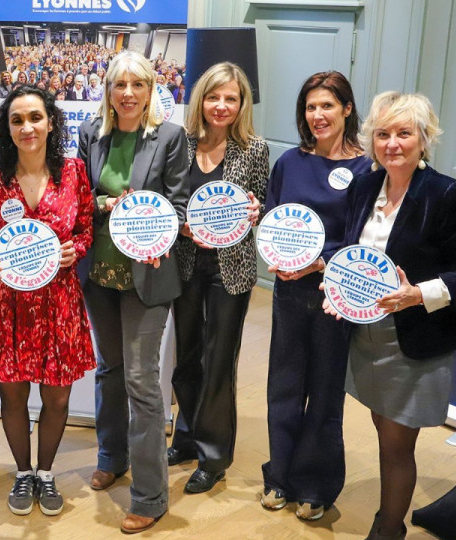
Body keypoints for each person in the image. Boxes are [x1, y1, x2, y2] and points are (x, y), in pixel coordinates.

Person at [324, 91, 456, 540]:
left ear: (424, 139)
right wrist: (335, 283)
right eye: (382, 134)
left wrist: (418, 294)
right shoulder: (365, 185)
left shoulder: (449, 194)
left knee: (398, 444)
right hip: (366, 334)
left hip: (417, 338)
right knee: (383, 427)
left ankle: (388, 529)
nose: (392, 143)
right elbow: (350, 250)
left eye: (404, 133)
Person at [0, 85, 95, 517]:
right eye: (17, 120)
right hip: (6, 302)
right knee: (14, 394)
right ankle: (23, 473)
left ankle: (45, 472)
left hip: (58, 301)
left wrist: (74, 249)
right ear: (6, 127)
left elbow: (85, 229)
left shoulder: (74, 172)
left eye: (35, 117)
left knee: (58, 397)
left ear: (51, 121)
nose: (27, 127)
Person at [77, 50, 190, 534]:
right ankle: (111, 456)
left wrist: (160, 233)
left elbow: (180, 205)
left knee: (142, 383)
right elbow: (79, 199)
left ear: (150, 90)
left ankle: (149, 495)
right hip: (99, 272)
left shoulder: (171, 136)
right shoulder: (91, 134)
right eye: (119, 84)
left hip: (148, 272)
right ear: (108, 89)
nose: (127, 93)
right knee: (109, 369)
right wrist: (107, 202)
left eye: (137, 85)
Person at [259, 71, 372, 521]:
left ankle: (316, 485)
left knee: (325, 392)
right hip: (289, 290)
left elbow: (365, 236)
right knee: (283, 387)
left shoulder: (367, 168)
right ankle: (279, 478)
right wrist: (276, 252)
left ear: (347, 109)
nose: (318, 115)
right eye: (311, 107)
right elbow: (272, 217)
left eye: (327, 105)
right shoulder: (289, 161)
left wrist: (320, 262)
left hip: (335, 295)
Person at [168, 62, 266, 494]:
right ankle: (187, 434)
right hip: (187, 262)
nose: (221, 106)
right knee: (187, 355)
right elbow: (167, 199)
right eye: (214, 97)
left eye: (231, 98)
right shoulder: (180, 144)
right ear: (200, 100)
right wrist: (179, 224)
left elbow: (260, 205)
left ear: (242, 103)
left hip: (232, 267)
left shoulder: (255, 149)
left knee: (219, 358)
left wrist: (255, 211)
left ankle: (214, 455)